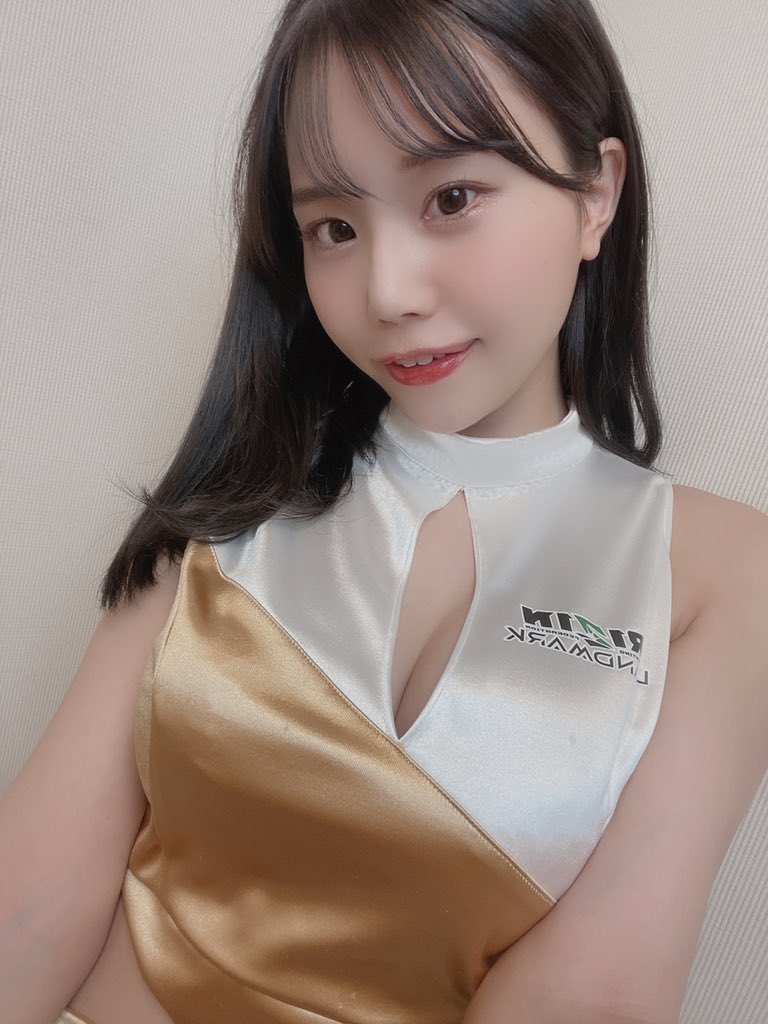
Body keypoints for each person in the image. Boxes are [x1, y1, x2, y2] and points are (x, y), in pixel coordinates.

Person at [2, 1, 767, 1022]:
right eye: (334, 227)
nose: (388, 291)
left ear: (596, 193)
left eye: (452, 197)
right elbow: (28, 907)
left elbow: (603, 988)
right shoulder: (233, 502)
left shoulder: (726, 575)